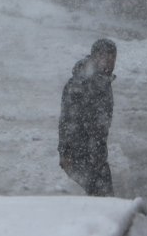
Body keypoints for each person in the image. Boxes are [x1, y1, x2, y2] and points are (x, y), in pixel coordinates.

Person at [58, 38, 117, 197]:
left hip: (96, 156)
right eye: (106, 57)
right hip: (79, 156)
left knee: (105, 200)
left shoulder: (103, 82)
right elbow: (67, 120)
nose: (111, 63)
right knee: (98, 202)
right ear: (95, 58)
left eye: (113, 58)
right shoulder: (80, 84)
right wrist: (65, 152)